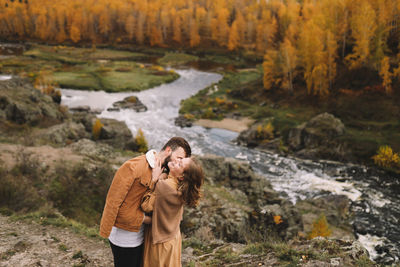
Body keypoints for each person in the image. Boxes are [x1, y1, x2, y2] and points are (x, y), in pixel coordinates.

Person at [99, 137, 191, 267]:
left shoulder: (167, 175)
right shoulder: (133, 166)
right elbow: (115, 207)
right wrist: (152, 221)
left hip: (144, 238)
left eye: (182, 161)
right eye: (179, 157)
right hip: (125, 238)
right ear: (168, 150)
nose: (178, 162)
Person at [141, 156, 204, 267]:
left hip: (160, 241)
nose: (176, 160)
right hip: (172, 237)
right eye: (180, 159)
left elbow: (146, 206)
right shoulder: (181, 189)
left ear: (181, 176)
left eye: (180, 164)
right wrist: (164, 175)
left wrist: (154, 179)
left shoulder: (165, 185)